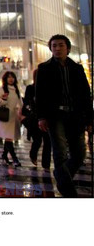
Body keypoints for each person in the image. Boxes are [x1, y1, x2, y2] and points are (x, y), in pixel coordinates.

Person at [36, 34, 92, 197]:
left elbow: (85, 95)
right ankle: (69, 192)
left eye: (60, 45)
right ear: (51, 49)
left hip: (75, 115)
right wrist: (41, 117)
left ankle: (61, 175)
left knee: (80, 153)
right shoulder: (44, 68)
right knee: (60, 152)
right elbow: (40, 96)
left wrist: (89, 119)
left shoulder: (77, 68)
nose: (57, 48)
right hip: (55, 116)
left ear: (67, 48)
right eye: (54, 46)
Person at [22, 69, 51, 169]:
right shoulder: (30, 88)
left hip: (47, 118)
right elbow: (26, 102)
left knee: (48, 141)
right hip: (34, 118)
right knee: (37, 140)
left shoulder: (48, 88)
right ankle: (33, 154)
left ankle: (46, 164)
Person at [0, 71, 23, 167]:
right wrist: (4, 100)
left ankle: (4, 155)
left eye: (12, 77)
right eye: (9, 77)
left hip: (14, 117)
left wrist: (21, 111)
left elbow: (20, 102)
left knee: (9, 138)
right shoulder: (1, 89)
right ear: (5, 79)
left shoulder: (16, 89)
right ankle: (15, 159)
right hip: (4, 117)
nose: (11, 79)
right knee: (8, 138)